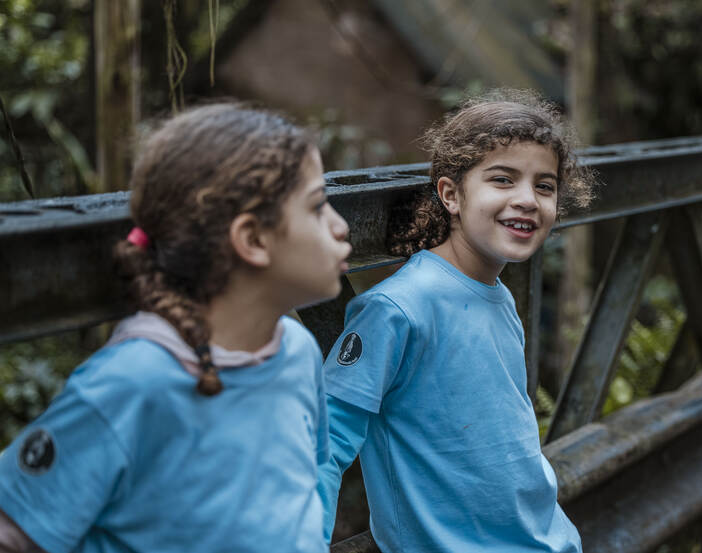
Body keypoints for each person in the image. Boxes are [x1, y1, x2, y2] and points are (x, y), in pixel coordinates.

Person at [0, 103, 351, 553]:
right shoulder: (130, 382)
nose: (341, 226)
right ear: (253, 239)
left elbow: (306, 486)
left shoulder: (298, 351)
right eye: (318, 205)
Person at [318, 90, 593, 552]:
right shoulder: (398, 308)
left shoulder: (500, 297)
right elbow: (327, 442)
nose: (527, 199)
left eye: (544, 186)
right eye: (503, 180)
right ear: (451, 195)